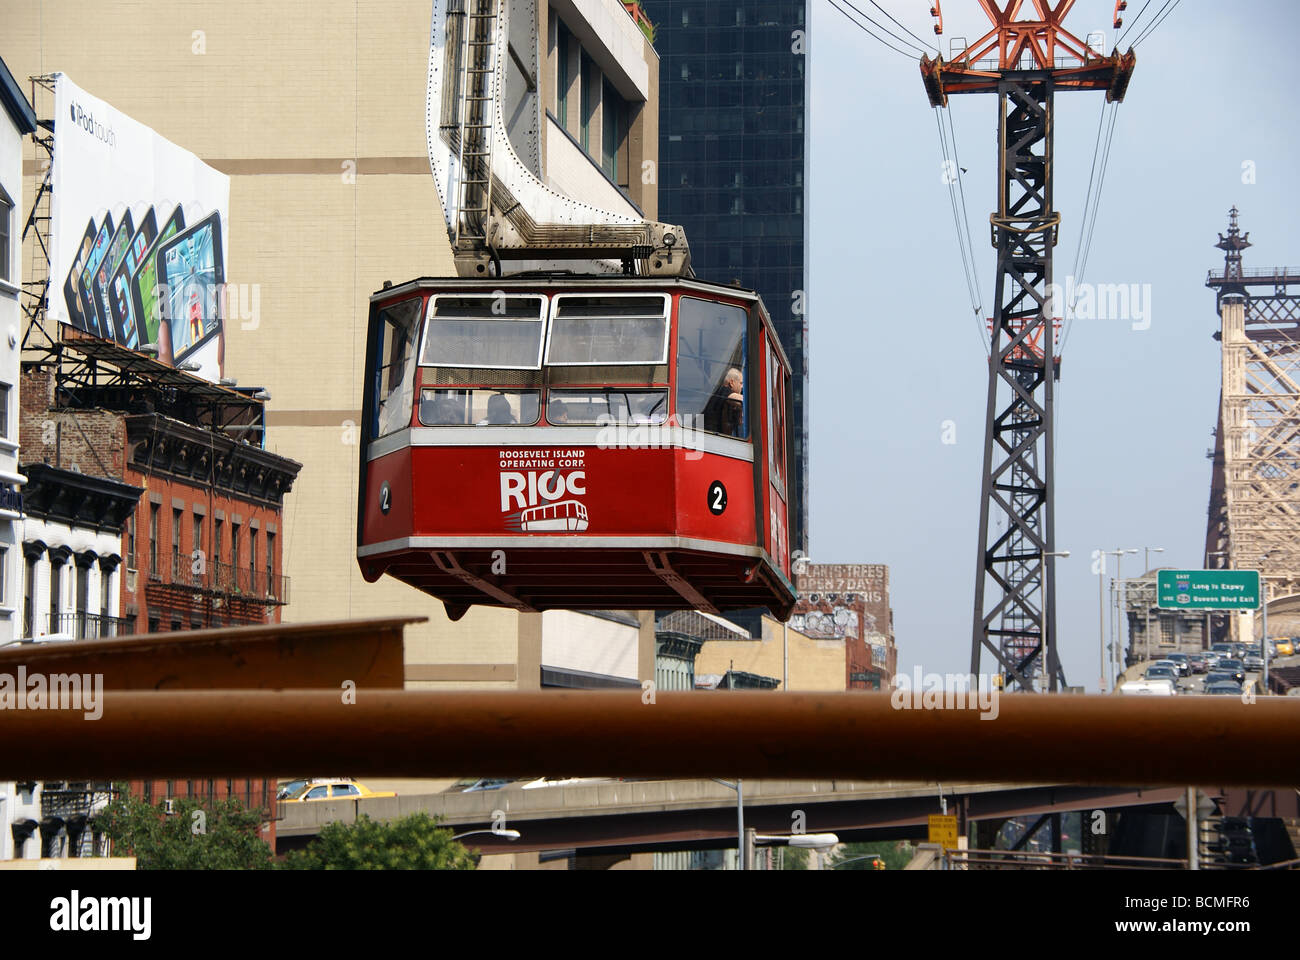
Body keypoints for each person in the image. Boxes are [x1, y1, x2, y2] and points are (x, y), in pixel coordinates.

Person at [702, 367, 744, 437]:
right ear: (731, 383)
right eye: (741, 383)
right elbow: (742, 401)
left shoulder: (730, 404)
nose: (742, 387)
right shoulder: (723, 390)